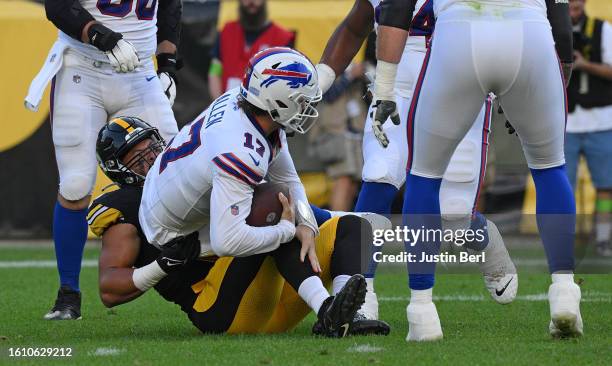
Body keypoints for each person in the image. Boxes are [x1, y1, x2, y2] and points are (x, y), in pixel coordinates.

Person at [373, 0, 579, 340]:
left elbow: (396, 9)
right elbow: (560, 18)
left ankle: (422, 311)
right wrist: (552, 87)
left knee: (424, 176)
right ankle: (565, 290)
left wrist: (383, 89)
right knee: (548, 167)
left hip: (459, 31)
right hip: (530, 32)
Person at [89, 116, 390, 336]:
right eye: (139, 159)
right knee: (269, 211)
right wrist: (163, 264)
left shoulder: (189, 168)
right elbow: (109, 290)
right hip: (221, 309)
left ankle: (344, 313)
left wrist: (310, 221)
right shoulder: (125, 206)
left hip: (274, 297)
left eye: (153, 147)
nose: (153, 159)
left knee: (353, 228)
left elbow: (276, 206)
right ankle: (327, 311)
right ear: (119, 171)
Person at [312, 0, 518, 321]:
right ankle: (361, 289)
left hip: (457, 85)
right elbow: (356, 25)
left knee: (454, 218)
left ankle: (484, 237)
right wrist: (320, 78)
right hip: (396, 86)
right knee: (379, 176)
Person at [32, 0, 182, 320]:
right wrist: (102, 36)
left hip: (140, 73)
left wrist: (167, 62)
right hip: (82, 70)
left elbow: (170, 5)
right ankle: (68, 294)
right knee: (75, 185)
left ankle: (200, 269)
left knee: (178, 173)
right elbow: (58, 6)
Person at [566, 0, 612, 257]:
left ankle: (604, 239)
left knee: (606, 184)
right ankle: (563, 240)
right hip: (565, 123)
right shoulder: (551, 29)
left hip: (602, 119)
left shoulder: (603, 29)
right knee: (563, 186)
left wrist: (584, 65)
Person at [208, 0, 295, 99]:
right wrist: (219, 103)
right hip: (227, 106)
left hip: (262, 110)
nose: (251, 2)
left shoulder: (282, 38)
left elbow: (286, 83)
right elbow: (214, 71)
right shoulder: (227, 31)